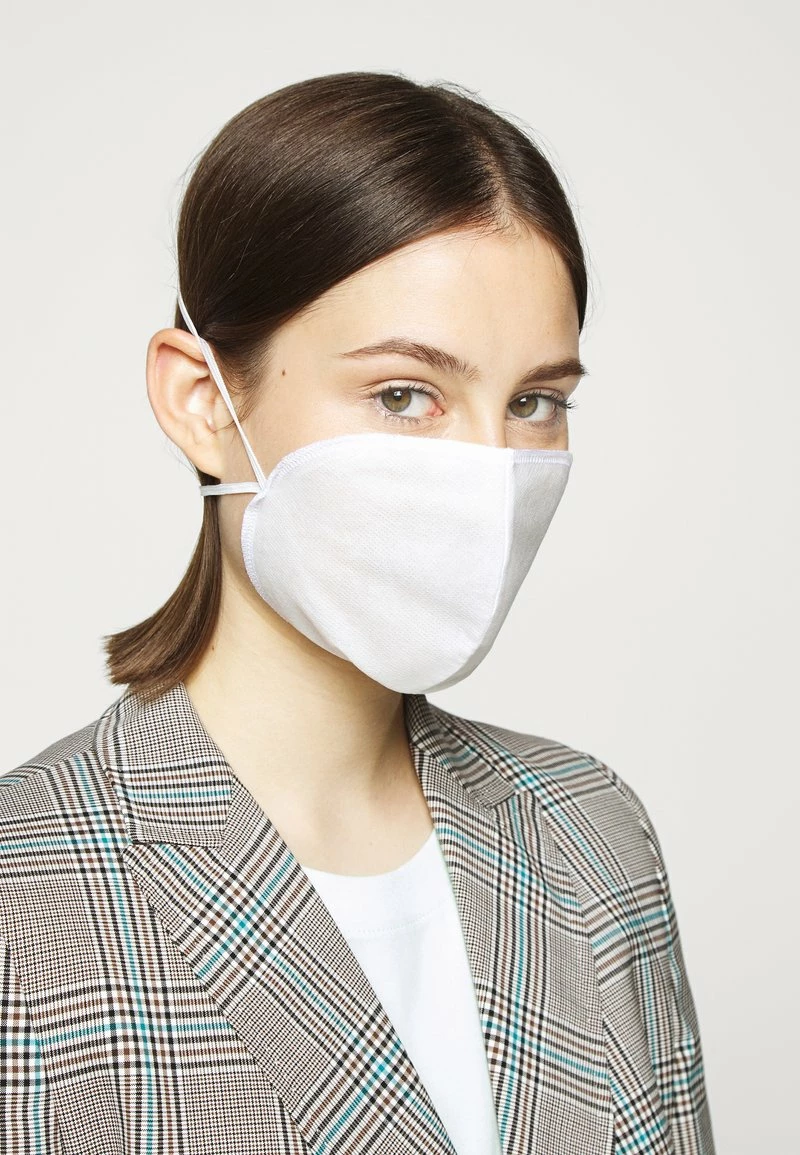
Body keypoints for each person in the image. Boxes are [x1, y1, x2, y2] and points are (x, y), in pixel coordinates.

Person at [0, 71, 715, 1154]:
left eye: (533, 402)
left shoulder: (593, 834)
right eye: (402, 394)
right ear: (202, 401)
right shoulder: (27, 893)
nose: (486, 472)